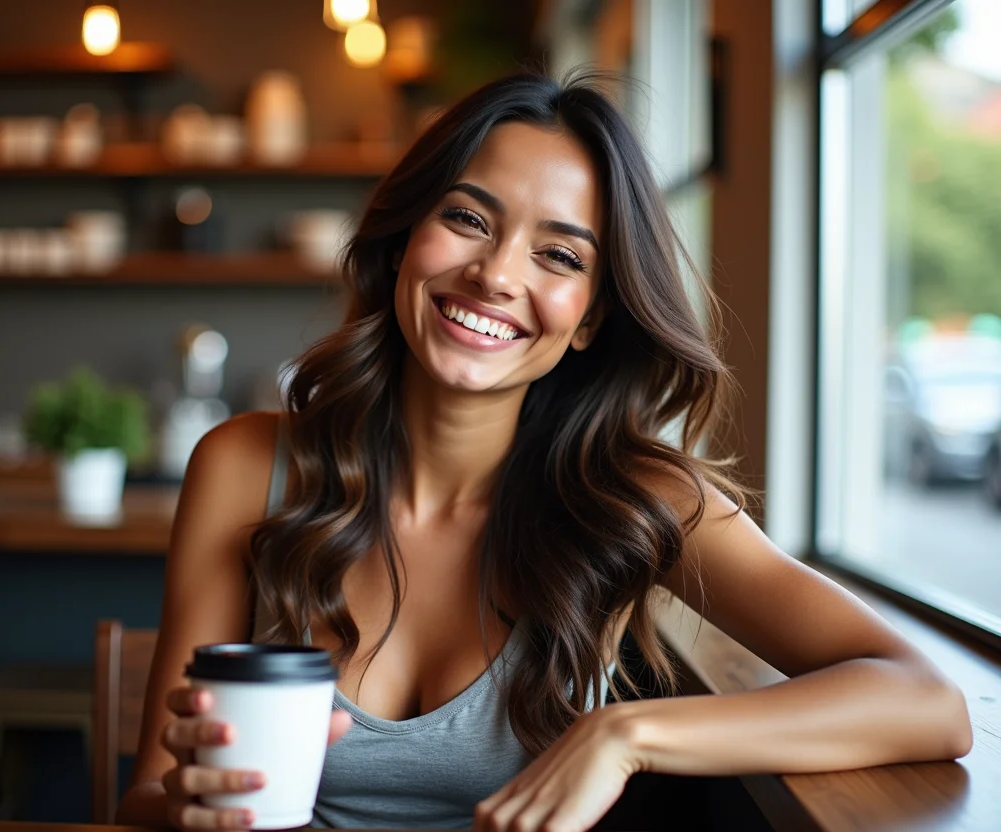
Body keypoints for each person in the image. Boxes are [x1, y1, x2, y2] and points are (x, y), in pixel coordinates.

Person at [117, 71, 972, 831]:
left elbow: (928, 700)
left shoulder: (632, 496)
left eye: (558, 254)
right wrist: (195, 804)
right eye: (466, 219)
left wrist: (626, 733)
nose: (496, 274)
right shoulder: (243, 467)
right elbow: (150, 797)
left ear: (592, 317)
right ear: (405, 240)